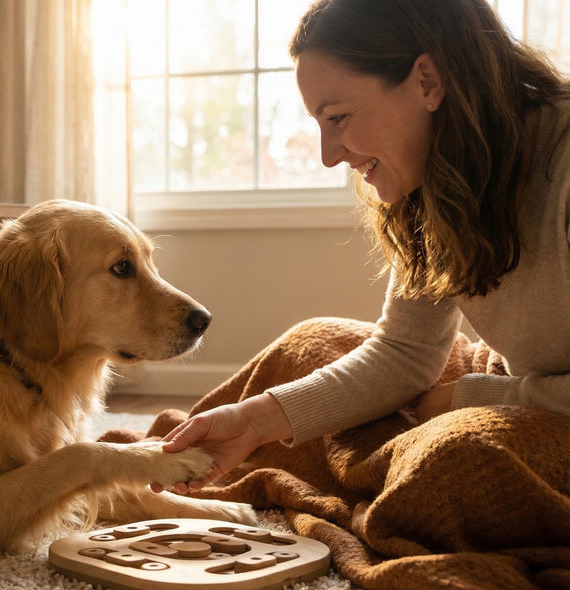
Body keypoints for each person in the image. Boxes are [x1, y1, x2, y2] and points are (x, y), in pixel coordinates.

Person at [155, 0, 570, 494]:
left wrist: (472, 398)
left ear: (428, 82)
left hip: (544, 401)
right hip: (512, 375)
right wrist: (254, 420)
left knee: (459, 465)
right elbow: (406, 351)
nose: (329, 156)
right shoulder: (436, 181)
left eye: (339, 117)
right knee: (308, 346)